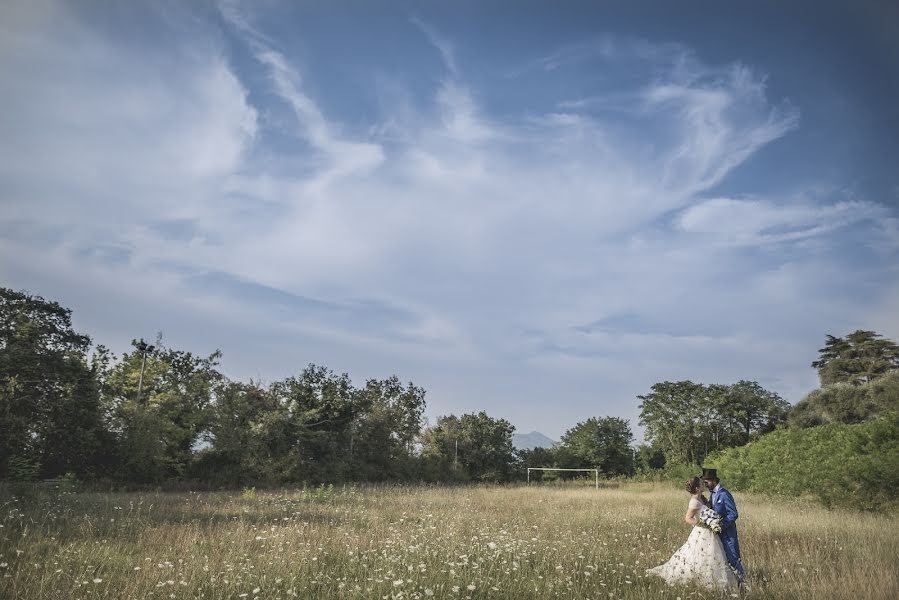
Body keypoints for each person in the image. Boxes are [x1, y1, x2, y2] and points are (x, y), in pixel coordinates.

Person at [646, 476, 739, 592]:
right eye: (701, 483)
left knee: (712, 556)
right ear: (697, 488)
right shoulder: (694, 502)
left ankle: (715, 579)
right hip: (702, 532)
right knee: (698, 556)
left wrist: (713, 523)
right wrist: (703, 524)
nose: (704, 484)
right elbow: (688, 518)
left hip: (711, 533)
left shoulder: (703, 499)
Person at [702, 467, 745, 584]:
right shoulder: (712, 495)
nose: (705, 484)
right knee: (721, 560)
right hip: (717, 535)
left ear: (713, 480)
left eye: (706, 481)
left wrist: (721, 525)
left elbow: (733, 514)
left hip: (728, 534)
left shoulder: (725, 494)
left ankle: (743, 585)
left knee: (733, 559)